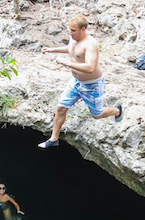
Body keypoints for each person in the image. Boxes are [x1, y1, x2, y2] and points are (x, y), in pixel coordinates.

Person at [38, 15, 123, 149]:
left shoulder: (91, 44)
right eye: (69, 30)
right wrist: (52, 50)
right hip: (76, 82)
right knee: (61, 107)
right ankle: (54, 139)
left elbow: (90, 67)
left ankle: (116, 111)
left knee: (97, 114)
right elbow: (72, 49)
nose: (70, 33)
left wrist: (68, 63)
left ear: (83, 29)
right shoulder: (74, 38)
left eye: (73, 31)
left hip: (92, 85)